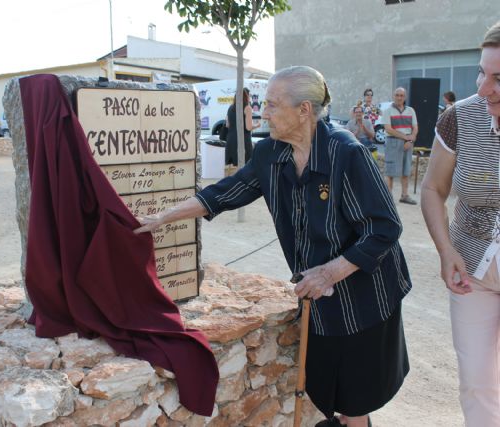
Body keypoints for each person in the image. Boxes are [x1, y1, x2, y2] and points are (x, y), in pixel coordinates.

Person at [136, 66, 411, 427]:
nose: (263, 112)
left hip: (363, 295)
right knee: (332, 388)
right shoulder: (270, 154)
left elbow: (385, 227)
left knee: (356, 398)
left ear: (304, 110)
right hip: (319, 297)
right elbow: (223, 193)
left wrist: (330, 271)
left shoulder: (346, 153)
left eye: (272, 104)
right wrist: (161, 218)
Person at [420, 21, 500, 426]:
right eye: (482, 73)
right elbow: (432, 188)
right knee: (476, 381)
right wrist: (446, 250)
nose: (485, 88)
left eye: (499, 78)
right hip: (474, 269)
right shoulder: (459, 117)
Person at [382, 88, 418, 204]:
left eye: (401, 95)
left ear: (405, 97)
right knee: (390, 171)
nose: (399, 97)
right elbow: (388, 129)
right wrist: (406, 138)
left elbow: (415, 128)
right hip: (393, 142)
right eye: (397, 95)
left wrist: (411, 140)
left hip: (408, 143)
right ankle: (388, 198)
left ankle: (404, 195)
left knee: (406, 171)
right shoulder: (388, 111)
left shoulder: (411, 110)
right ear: (393, 96)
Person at [224, 88, 259, 170]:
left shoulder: (230, 107)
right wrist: (257, 125)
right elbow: (248, 127)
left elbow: (227, 124)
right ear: (246, 96)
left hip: (231, 139)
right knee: (246, 165)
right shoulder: (247, 108)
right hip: (243, 140)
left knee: (232, 166)